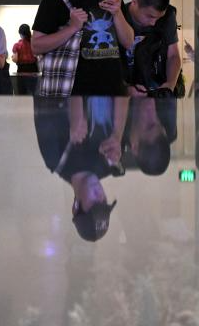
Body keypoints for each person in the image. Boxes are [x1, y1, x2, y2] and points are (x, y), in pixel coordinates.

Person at [33, 95, 128, 242]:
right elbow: (125, 91)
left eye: (95, 203)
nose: (100, 195)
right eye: (104, 202)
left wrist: (75, 105)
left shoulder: (55, 158)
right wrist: (117, 134)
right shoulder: (111, 160)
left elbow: (45, 90)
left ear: (76, 206)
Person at [121, 0, 183, 97]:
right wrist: (124, 89)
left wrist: (169, 85)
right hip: (126, 90)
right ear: (134, 2)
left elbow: (173, 55)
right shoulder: (119, 17)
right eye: (150, 16)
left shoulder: (168, 16)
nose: (153, 23)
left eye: (159, 18)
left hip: (157, 85)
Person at [12, 23, 39, 95]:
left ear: (20, 33)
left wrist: (12, 57)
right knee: (33, 93)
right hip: (33, 69)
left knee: (22, 94)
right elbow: (39, 56)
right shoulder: (34, 43)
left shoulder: (17, 45)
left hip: (22, 70)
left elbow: (15, 59)